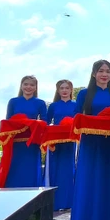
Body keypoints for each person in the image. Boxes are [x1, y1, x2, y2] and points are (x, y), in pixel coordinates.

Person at [71, 60, 110, 220]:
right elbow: (76, 117)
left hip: (107, 142)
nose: (104, 74)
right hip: (89, 141)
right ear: (94, 74)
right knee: (86, 178)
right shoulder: (84, 94)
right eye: (101, 71)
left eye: (108, 71)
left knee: (104, 180)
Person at [4, 75, 47, 187]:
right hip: (16, 142)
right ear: (21, 86)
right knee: (15, 168)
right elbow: (8, 121)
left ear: (36, 87)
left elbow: (44, 122)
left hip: (32, 142)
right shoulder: (13, 101)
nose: (28, 87)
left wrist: (32, 123)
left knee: (31, 169)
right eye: (26, 84)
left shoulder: (40, 103)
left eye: (32, 85)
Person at [46, 79, 77, 210]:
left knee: (69, 170)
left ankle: (69, 202)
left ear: (71, 90)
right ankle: (56, 202)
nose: (64, 90)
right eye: (61, 88)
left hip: (71, 143)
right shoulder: (53, 106)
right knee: (55, 170)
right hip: (56, 143)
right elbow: (46, 123)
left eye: (67, 88)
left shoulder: (76, 105)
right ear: (58, 91)